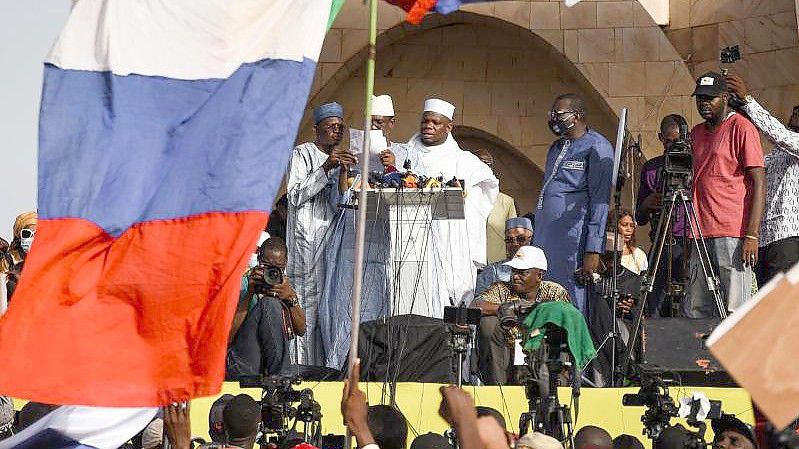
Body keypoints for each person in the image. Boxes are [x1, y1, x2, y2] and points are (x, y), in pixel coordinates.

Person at [317, 95, 404, 369]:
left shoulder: (404, 153)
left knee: (377, 307)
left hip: (383, 243)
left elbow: (413, 194)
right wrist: (344, 170)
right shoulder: (351, 154)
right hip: (350, 243)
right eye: (370, 123)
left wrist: (392, 167)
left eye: (379, 123)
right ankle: (338, 366)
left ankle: (373, 366)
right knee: (345, 308)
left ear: (391, 124)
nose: (375, 128)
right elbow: (338, 201)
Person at [404, 98, 499, 315]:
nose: (428, 126)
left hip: (448, 241)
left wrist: (465, 194)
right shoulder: (403, 156)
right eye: (425, 121)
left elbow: (488, 185)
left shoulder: (463, 161)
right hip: (410, 241)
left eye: (435, 123)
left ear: (448, 127)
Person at [684, 72, 765, 318]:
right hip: (700, 229)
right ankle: (700, 358)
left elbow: (759, 183)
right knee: (697, 308)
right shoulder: (697, 132)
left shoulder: (741, 127)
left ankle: (737, 357)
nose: (704, 103)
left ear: (725, 98)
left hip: (732, 230)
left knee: (735, 308)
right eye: (700, 99)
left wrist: (751, 234)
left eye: (710, 98)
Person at [286, 102, 356, 364]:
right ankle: (300, 366)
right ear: (317, 129)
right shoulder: (301, 153)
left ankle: (322, 367)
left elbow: (339, 203)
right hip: (305, 242)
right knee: (303, 304)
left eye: (340, 127)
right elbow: (295, 195)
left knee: (326, 306)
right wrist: (326, 168)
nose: (336, 132)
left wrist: (344, 173)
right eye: (330, 126)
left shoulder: (338, 159)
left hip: (329, 242)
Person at [534, 94, 614, 316]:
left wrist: (593, 250)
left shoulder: (598, 147)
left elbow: (600, 202)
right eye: (552, 114)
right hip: (546, 237)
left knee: (571, 300)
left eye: (558, 114)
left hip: (573, 239)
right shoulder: (556, 147)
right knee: (545, 296)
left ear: (576, 116)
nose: (553, 118)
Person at [726, 74, 799, 285]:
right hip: (763, 238)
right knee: (765, 301)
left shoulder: (793, 144)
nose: (795, 112)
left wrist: (748, 100)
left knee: (781, 304)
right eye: (794, 110)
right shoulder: (774, 155)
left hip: (787, 237)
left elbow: (777, 133)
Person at [472, 246, 570, 385]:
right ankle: (497, 388)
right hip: (506, 361)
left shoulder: (554, 292)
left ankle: (551, 386)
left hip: (543, 359)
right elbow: (475, 305)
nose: (515, 276)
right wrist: (504, 308)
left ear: (539, 275)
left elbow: (569, 324)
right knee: (488, 323)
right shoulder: (502, 289)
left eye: (522, 272)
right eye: (513, 271)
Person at [635, 115, 690, 317]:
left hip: (690, 243)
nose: (673, 147)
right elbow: (638, 217)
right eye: (668, 141)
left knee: (690, 301)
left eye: (678, 142)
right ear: (660, 138)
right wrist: (647, 203)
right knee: (653, 301)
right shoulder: (651, 168)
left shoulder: (696, 164)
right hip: (661, 242)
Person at [227, 237, 305, 377]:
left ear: (285, 264)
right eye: (267, 266)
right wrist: (250, 294)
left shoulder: (283, 287)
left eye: (278, 268)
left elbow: (301, 330)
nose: (272, 272)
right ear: (258, 259)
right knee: (269, 304)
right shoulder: (242, 284)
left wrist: (291, 298)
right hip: (243, 363)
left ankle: (282, 375)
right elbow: (228, 336)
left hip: (269, 365)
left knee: (329, 374)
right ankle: (283, 376)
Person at [473, 149, 518, 264]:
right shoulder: (465, 198)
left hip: (497, 262)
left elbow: (514, 236)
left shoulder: (506, 201)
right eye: (479, 164)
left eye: (488, 165)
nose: (484, 169)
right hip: (470, 261)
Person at [474, 217, 533, 296]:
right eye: (509, 240)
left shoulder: (540, 268)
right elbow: (478, 303)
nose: (515, 244)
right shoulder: (493, 270)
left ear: (531, 240)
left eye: (521, 239)